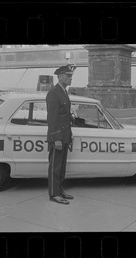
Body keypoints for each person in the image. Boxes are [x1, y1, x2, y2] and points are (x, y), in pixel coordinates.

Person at [46, 64, 76, 205]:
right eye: (68, 76)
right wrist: (56, 138)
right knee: (55, 167)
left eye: (71, 76)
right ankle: (54, 194)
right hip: (57, 137)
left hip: (64, 136)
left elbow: (64, 116)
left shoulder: (63, 91)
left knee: (62, 166)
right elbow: (52, 119)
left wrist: (69, 135)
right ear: (59, 76)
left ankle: (60, 190)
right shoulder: (53, 93)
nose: (70, 78)